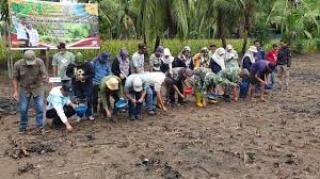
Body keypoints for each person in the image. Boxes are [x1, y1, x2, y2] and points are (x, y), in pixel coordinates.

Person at [12, 50, 48, 134]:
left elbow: (44, 74)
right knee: (23, 109)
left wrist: (45, 77)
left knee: (39, 108)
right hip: (24, 88)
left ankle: (40, 127)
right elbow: (15, 79)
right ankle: (23, 127)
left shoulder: (39, 62)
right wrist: (15, 91)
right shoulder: (18, 64)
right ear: (24, 59)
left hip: (37, 87)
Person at [66, 52, 95, 121]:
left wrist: (84, 77)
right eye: (77, 63)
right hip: (77, 86)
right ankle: (79, 115)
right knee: (79, 100)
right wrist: (73, 76)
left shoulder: (88, 65)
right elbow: (68, 73)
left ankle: (89, 114)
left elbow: (93, 74)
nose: (79, 64)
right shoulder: (71, 65)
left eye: (80, 63)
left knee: (88, 100)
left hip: (87, 85)